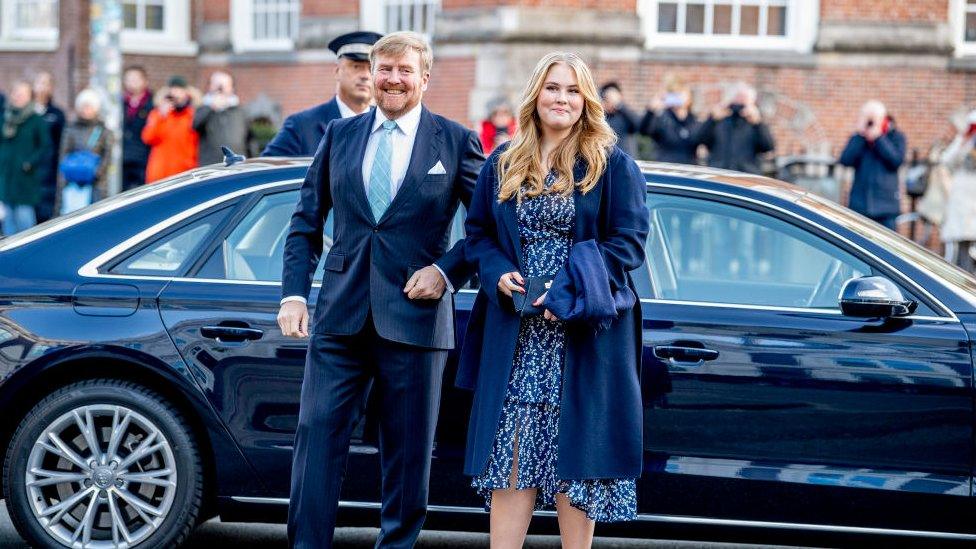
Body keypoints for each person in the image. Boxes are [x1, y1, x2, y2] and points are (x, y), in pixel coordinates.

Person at [278, 31, 484, 548]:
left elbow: (488, 227)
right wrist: (293, 294)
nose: (392, 79)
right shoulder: (339, 136)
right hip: (339, 317)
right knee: (317, 441)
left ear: (425, 77)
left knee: (408, 454)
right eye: (384, 69)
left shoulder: (455, 141)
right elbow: (305, 223)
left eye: (404, 70)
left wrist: (447, 271)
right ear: (371, 73)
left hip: (416, 320)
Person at [457, 52, 649, 547]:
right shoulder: (503, 162)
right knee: (511, 459)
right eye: (552, 88)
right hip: (517, 338)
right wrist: (497, 273)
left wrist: (562, 291)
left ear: (586, 101)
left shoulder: (612, 164)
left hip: (582, 337)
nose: (561, 98)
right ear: (535, 96)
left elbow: (627, 244)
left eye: (571, 90)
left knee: (575, 465)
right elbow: (477, 235)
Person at [263, 31, 382, 157]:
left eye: (371, 69)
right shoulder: (301, 127)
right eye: (356, 67)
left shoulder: (386, 126)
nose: (365, 76)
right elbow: (267, 172)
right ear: (337, 71)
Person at [838, 100, 907, 231]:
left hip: (885, 208)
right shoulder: (860, 138)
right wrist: (860, 135)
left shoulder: (896, 137)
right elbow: (845, 160)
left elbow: (896, 161)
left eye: (872, 120)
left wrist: (879, 138)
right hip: (859, 206)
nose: (869, 124)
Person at [0, 80, 51, 235]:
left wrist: (30, 163)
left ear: (30, 97)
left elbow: (45, 146)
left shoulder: (35, 120)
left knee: (24, 219)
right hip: (6, 176)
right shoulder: (4, 117)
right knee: (7, 218)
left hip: (25, 178)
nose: (18, 97)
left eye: (22, 94)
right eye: (16, 93)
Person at [55, 89, 113, 215]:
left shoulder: (103, 130)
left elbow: (107, 156)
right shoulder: (71, 129)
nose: (86, 110)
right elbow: (64, 154)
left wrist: (96, 173)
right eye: (83, 106)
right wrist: (70, 172)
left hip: (96, 183)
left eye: (89, 106)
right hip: (73, 182)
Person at [698, 82, 775, 174]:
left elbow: (768, 147)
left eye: (743, 101)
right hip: (720, 173)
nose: (739, 105)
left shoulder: (755, 123)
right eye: (737, 99)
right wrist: (712, 120)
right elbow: (700, 139)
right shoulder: (720, 120)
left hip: (746, 175)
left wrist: (758, 124)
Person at [141, 75, 199, 183]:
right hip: (159, 175)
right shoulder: (158, 114)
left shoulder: (193, 115)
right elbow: (148, 138)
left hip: (184, 175)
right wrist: (161, 116)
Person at [939, 110, 976, 270]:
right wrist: (962, 139)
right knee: (959, 246)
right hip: (961, 202)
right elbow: (945, 160)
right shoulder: (964, 143)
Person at [641, 75, 701, 165]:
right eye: (674, 94)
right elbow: (644, 131)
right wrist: (651, 111)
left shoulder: (694, 121)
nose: (678, 97)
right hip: (667, 169)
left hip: (689, 170)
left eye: (681, 93)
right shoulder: (663, 118)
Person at [194, 71, 250, 165]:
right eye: (216, 85)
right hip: (210, 165)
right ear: (209, 87)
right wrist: (211, 107)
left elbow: (250, 139)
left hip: (236, 164)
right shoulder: (204, 108)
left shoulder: (240, 111)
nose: (220, 89)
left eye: (224, 85)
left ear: (232, 88)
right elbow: (195, 125)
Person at [32, 71, 65, 222]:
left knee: (44, 216)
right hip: (27, 173)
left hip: (48, 175)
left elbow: (60, 145)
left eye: (46, 83)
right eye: (39, 82)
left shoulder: (57, 115)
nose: (42, 87)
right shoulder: (25, 113)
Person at [122, 65, 154, 191]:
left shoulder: (153, 104)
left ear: (145, 81)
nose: (131, 83)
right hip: (124, 158)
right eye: (128, 79)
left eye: (135, 79)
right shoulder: (119, 103)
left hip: (144, 158)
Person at [599, 81, 641, 157]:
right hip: (606, 161)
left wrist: (620, 105)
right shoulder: (601, 117)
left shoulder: (625, 115)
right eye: (607, 98)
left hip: (626, 159)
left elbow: (639, 125)